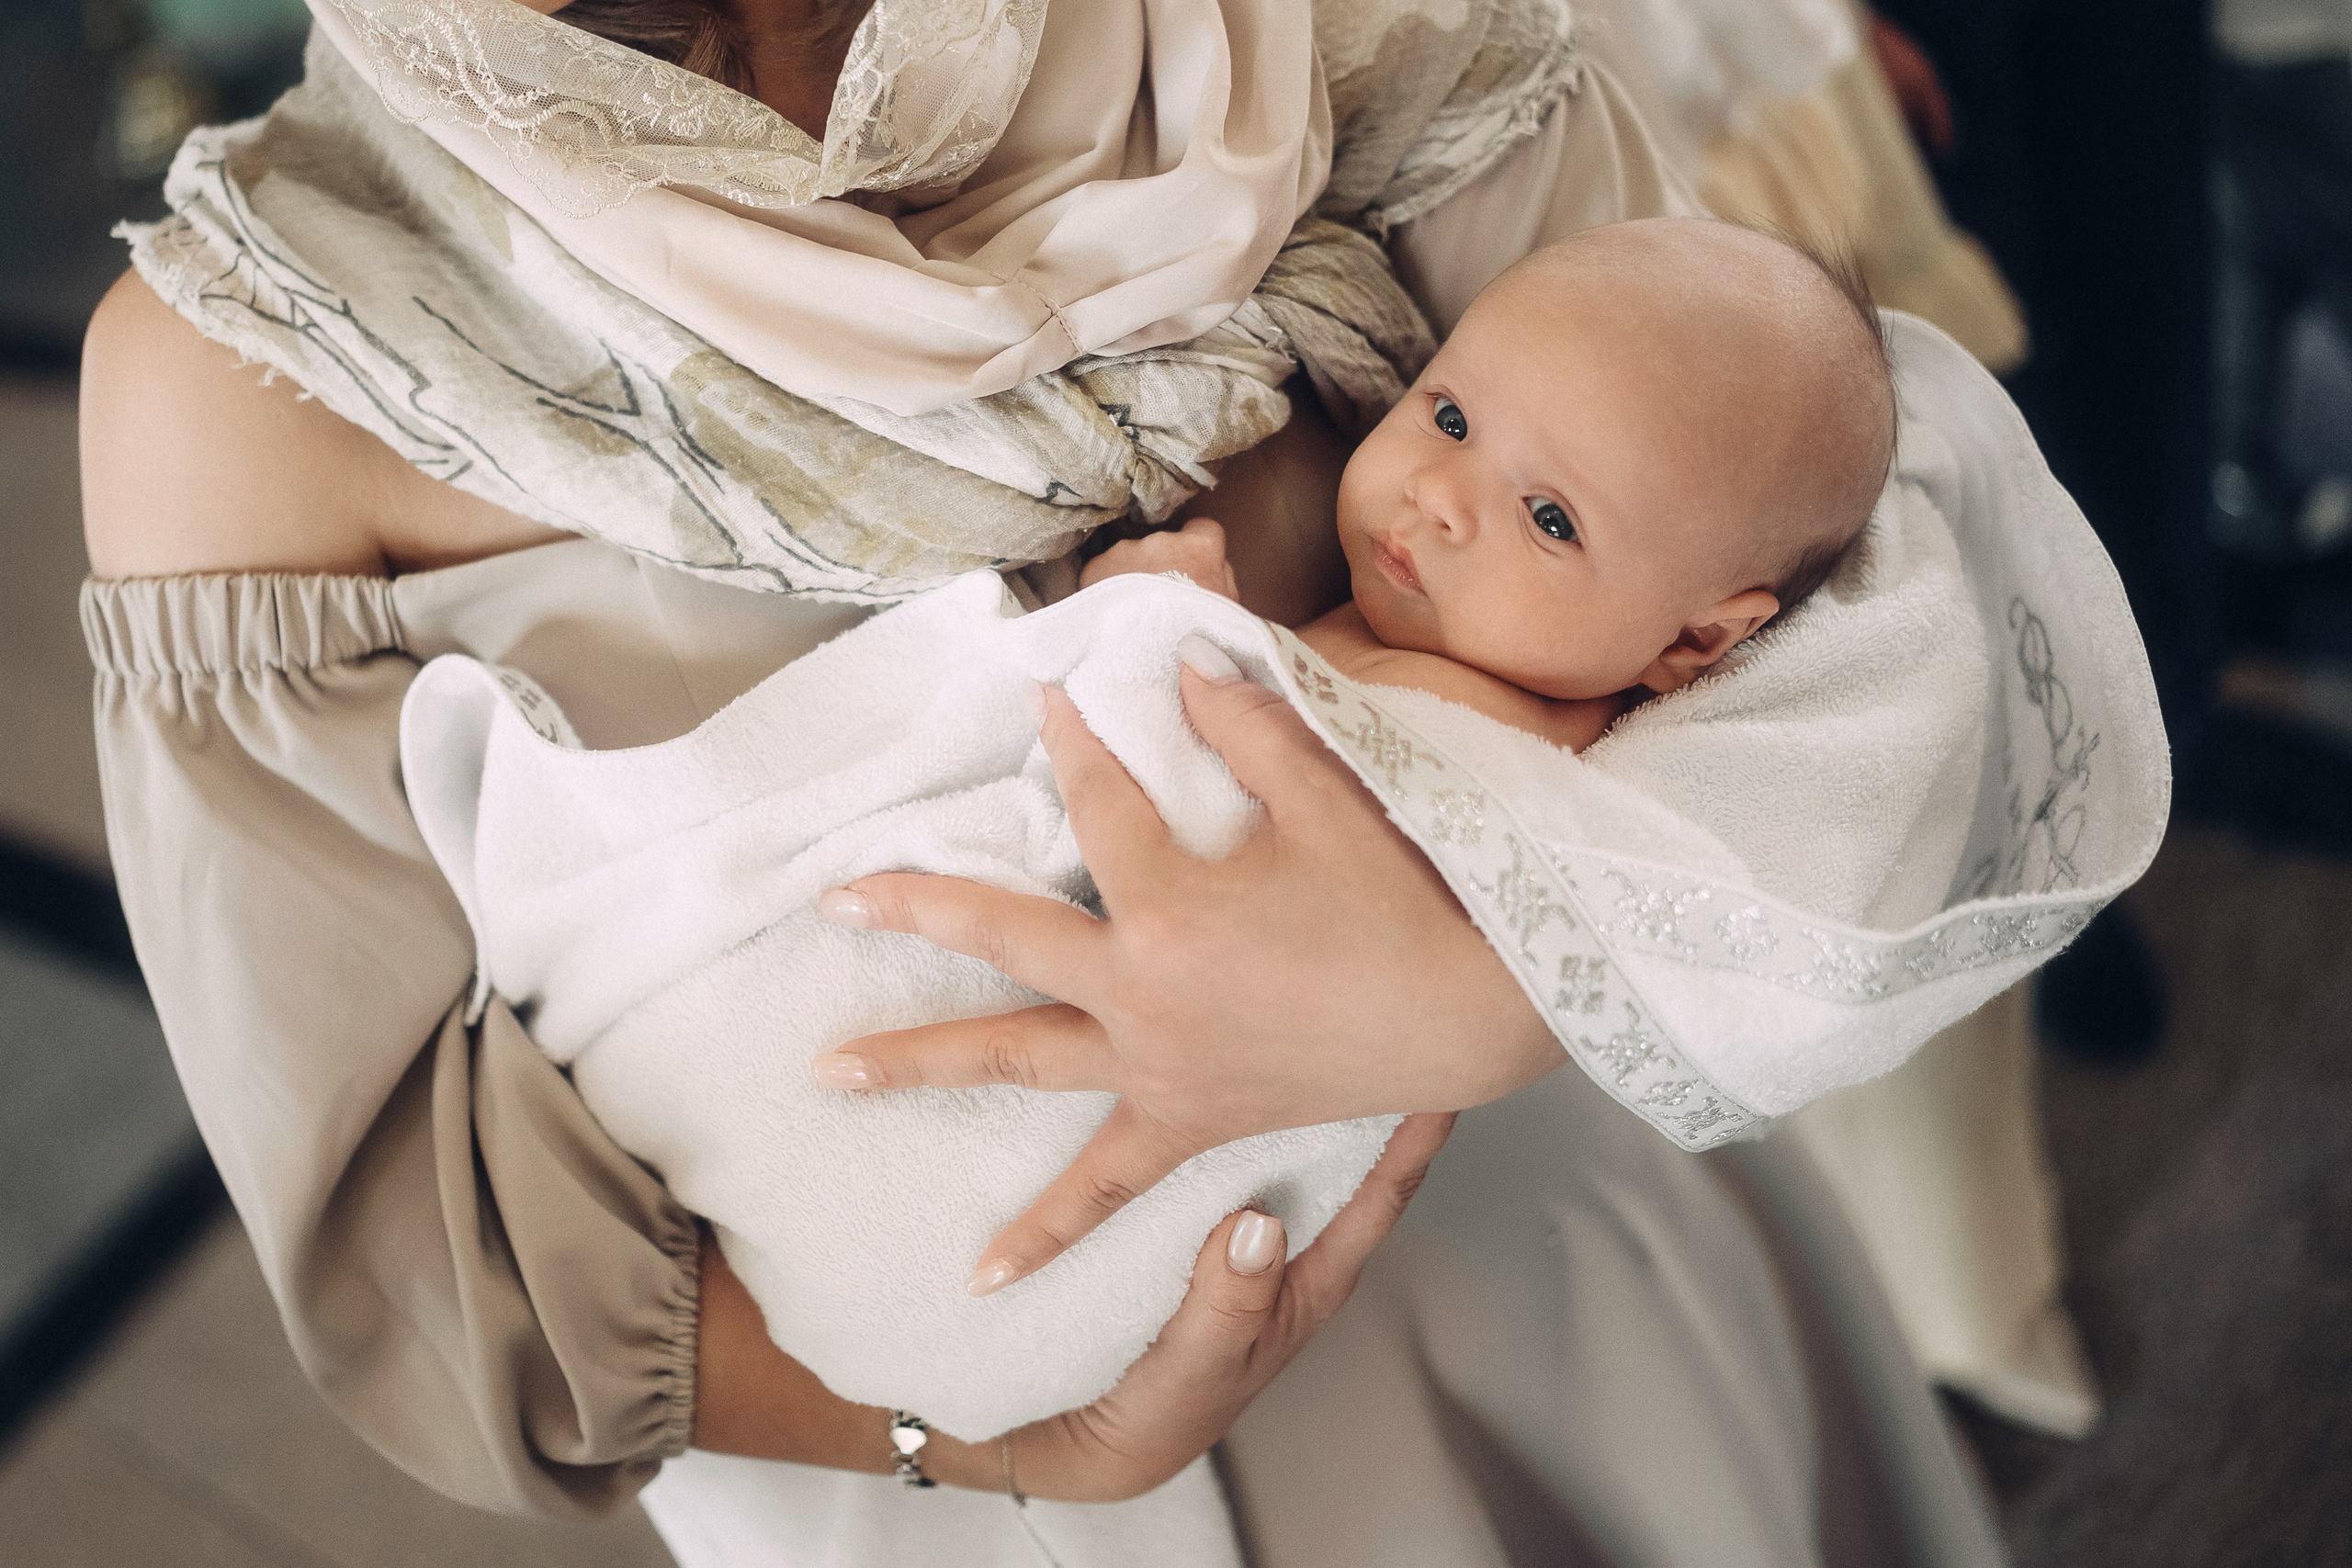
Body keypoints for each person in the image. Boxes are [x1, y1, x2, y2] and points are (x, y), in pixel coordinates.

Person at [79, 1, 2032, 1562]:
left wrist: (1449, 994)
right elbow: (417, 1222)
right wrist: (1012, 1442)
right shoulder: (236, 363)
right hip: (951, 1457)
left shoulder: (1343, 29)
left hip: (1521, 1239)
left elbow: (1833, 599)